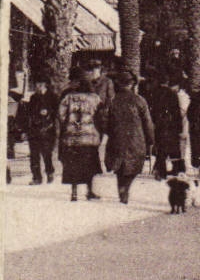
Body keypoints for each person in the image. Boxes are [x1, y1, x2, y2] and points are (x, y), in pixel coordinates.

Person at [103, 71, 155, 204]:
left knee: (119, 166)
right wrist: (150, 139)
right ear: (132, 84)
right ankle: (125, 188)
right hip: (136, 138)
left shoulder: (113, 100)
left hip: (117, 138)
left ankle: (122, 188)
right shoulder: (139, 100)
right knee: (133, 166)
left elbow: (104, 121)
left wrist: (110, 132)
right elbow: (147, 122)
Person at [57, 72, 105, 202]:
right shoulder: (94, 98)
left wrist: (69, 126)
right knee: (89, 165)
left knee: (73, 165)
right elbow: (101, 116)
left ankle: (74, 193)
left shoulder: (68, 98)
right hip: (88, 138)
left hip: (71, 138)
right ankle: (89, 191)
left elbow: (61, 115)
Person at [21, 78, 58, 184]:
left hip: (48, 129)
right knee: (34, 154)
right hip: (34, 130)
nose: (39, 86)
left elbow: (57, 113)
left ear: (45, 84)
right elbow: (29, 114)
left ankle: (49, 172)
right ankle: (36, 177)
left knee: (47, 153)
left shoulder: (53, 96)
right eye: (37, 84)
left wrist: (48, 112)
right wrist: (26, 130)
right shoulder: (33, 97)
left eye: (41, 83)